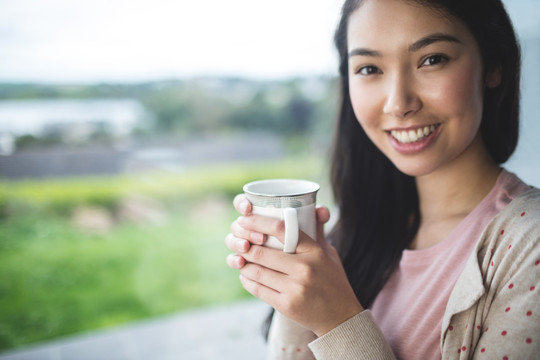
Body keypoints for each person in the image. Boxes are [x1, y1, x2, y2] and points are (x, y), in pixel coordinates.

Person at [225, 0, 540, 358]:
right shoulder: (353, 236)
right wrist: (294, 264)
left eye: (432, 59)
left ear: (493, 65)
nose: (398, 103)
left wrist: (339, 321)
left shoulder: (530, 245)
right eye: (370, 68)